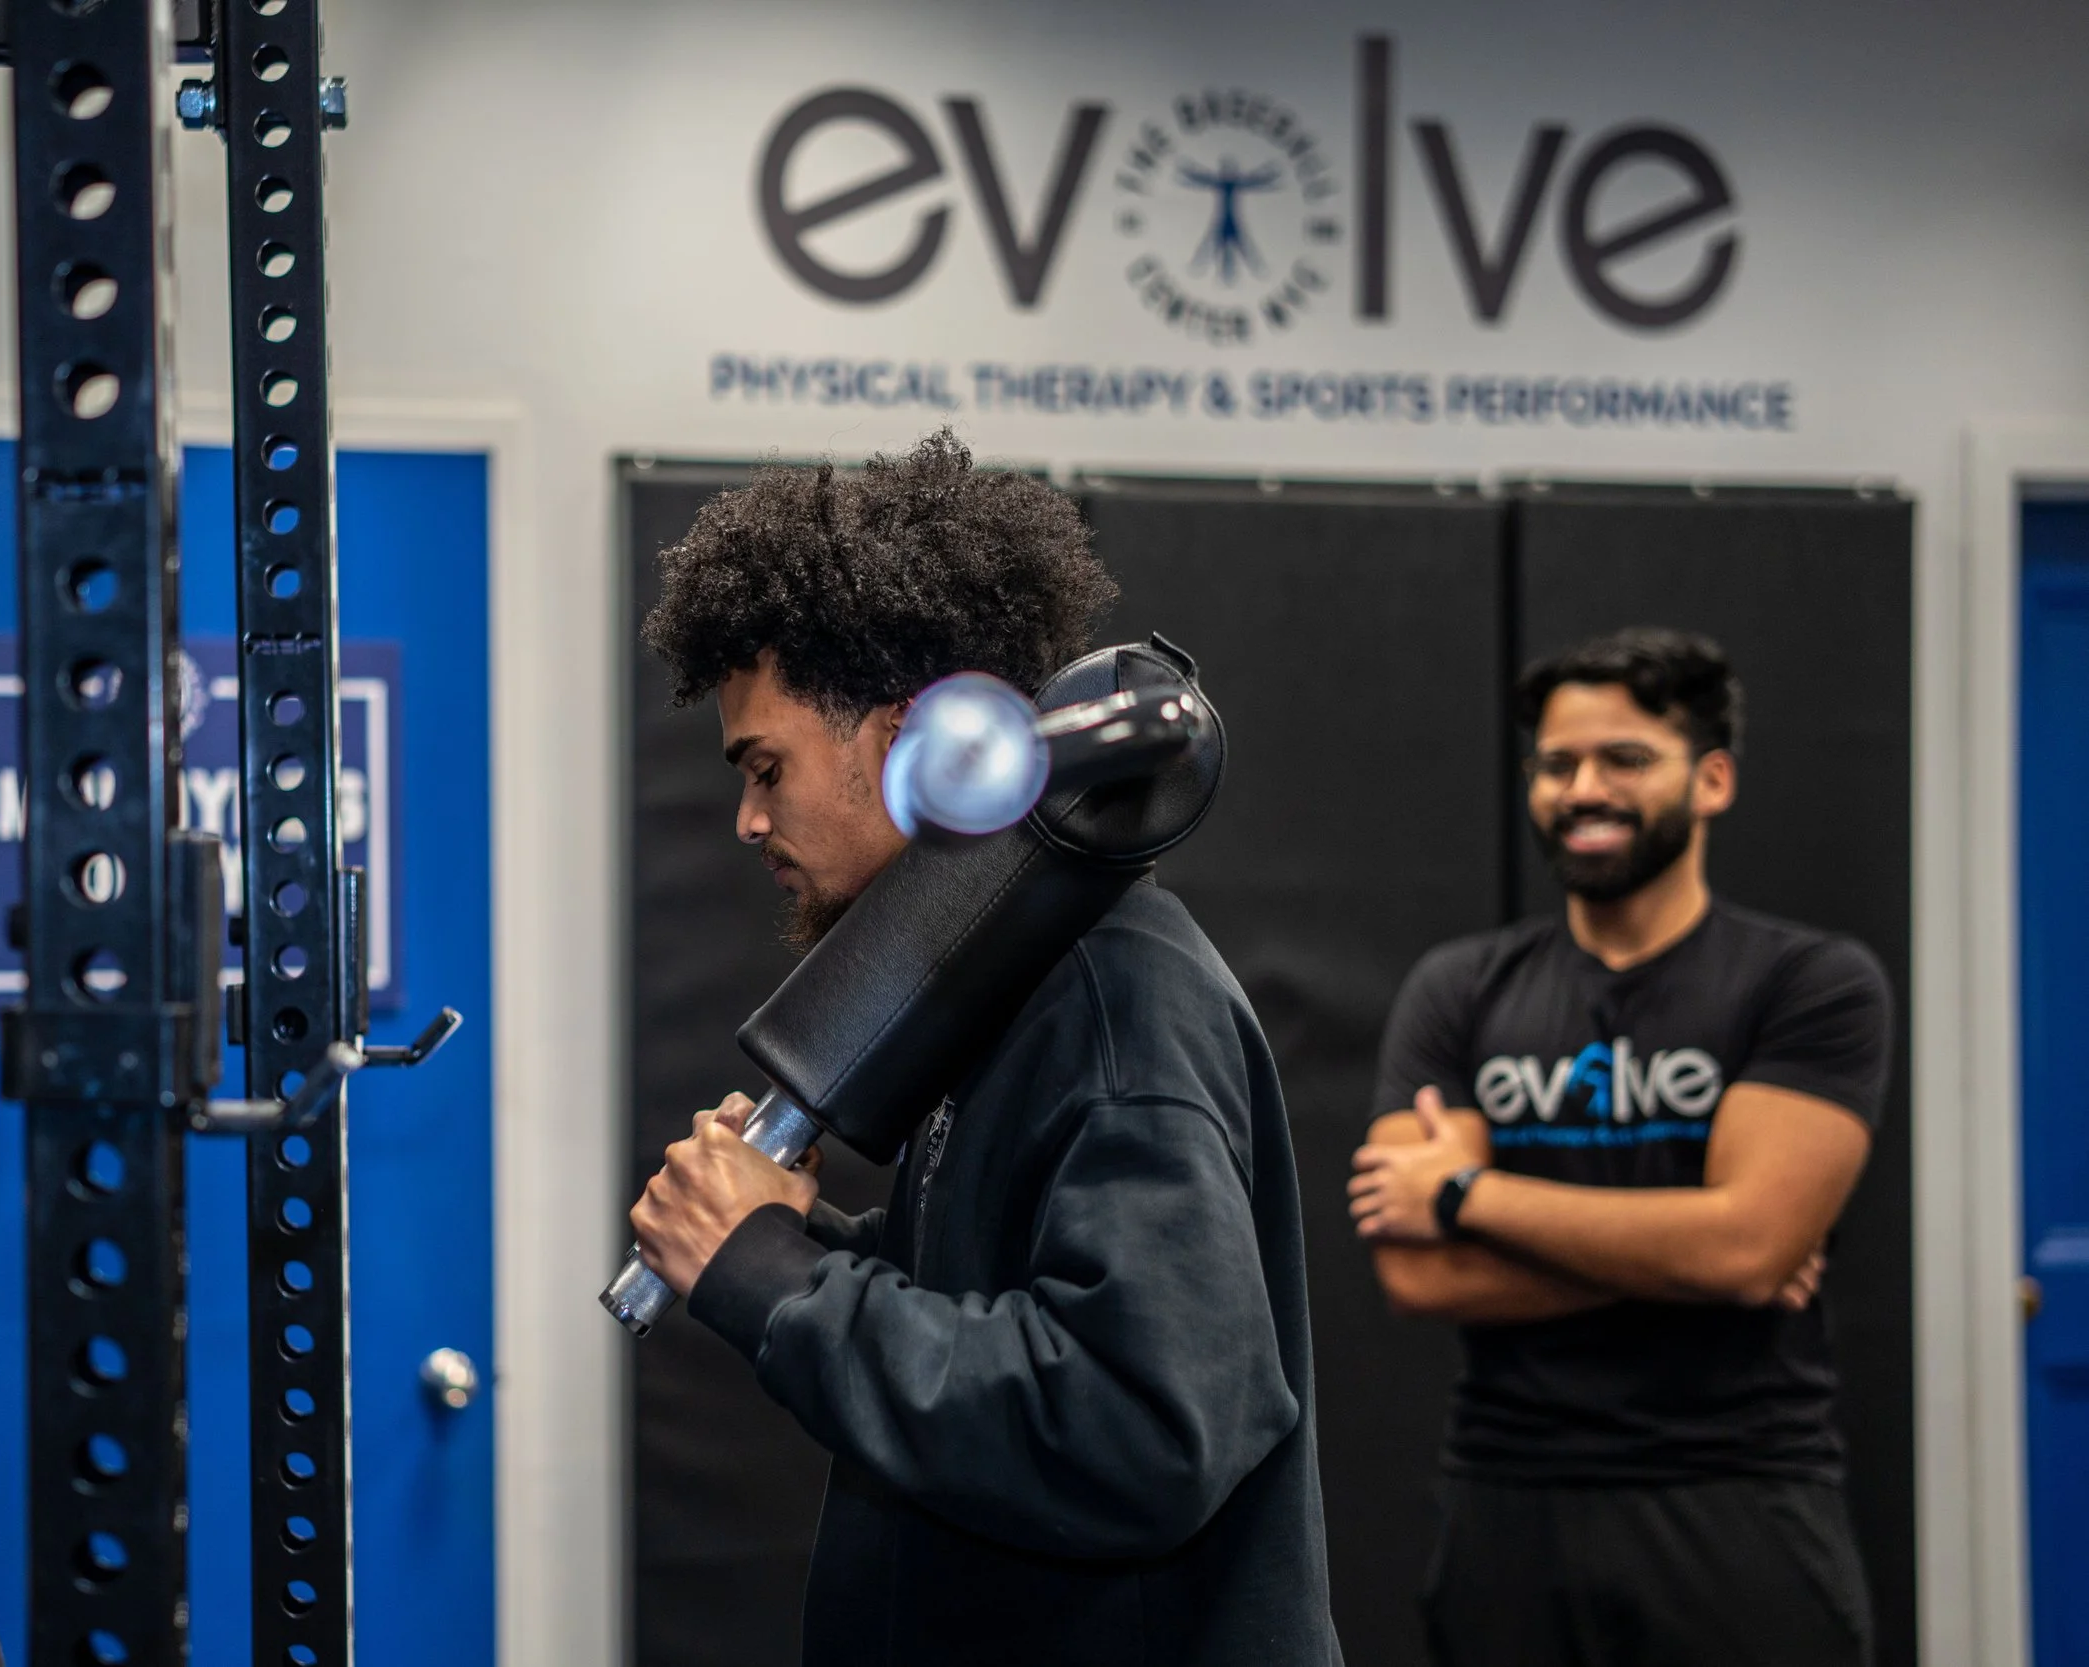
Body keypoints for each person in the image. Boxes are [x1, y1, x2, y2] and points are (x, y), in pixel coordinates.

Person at [627, 430, 1340, 1667]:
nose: (748, 817)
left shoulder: (1117, 998)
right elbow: (992, 1310)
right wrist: (788, 1236)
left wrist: (769, 1275)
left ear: (916, 743)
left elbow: (1138, 1425)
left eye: (766, 767)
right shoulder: (1006, 990)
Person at [1349, 627, 1889, 1667]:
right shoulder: (1458, 988)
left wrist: (1464, 1188)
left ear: (1713, 778)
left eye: (1624, 758)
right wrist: (1696, 1245)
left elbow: (1747, 1247)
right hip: (1508, 1502)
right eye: (1556, 764)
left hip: (1738, 1499)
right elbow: (1419, 1270)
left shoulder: (1810, 982)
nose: (1581, 787)